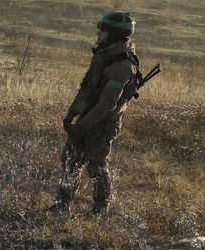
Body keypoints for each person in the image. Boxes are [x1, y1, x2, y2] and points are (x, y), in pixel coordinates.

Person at [54, 11, 141, 214]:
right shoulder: (103, 55)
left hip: (103, 123)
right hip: (86, 117)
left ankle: (100, 210)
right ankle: (62, 204)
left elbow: (107, 104)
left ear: (115, 35)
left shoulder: (122, 66)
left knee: (96, 167)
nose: (98, 34)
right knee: (70, 161)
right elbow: (86, 88)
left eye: (103, 31)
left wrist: (82, 126)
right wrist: (71, 114)